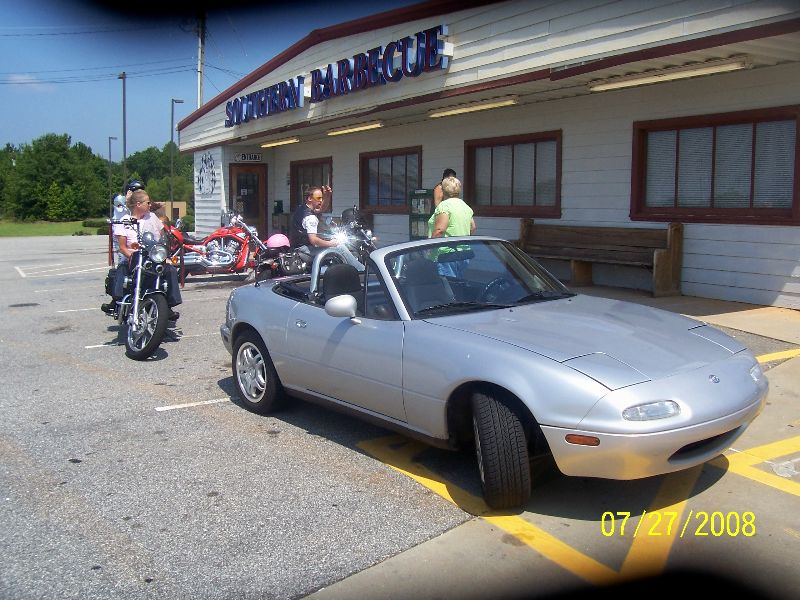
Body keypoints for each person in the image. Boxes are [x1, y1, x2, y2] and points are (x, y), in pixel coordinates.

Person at [101, 189, 182, 321]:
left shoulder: (152, 217)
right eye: (147, 202)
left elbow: (162, 238)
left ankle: (167, 306)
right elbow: (122, 247)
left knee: (171, 270)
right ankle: (117, 301)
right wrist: (132, 257)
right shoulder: (125, 221)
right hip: (132, 257)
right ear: (138, 204)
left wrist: (164, 255)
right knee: (121, 270)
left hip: (152, 257)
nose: (150, 205)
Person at [427, 175, 476, 278]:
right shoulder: (465, 206)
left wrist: (429, 248)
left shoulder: (444, 206)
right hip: (464, 254)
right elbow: (472, 228)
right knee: (458, 283)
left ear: (443, 190)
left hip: (446, 254)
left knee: (448, 285)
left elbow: (439, 230)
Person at [289, 185, 339, 252]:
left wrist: (327, 196)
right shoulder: (310, 217)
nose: (321, 200)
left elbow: (321, 209)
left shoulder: (303, 208)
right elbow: (314, 240)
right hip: (304, 249)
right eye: (318, 198)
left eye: (322, 198)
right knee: (338, 249)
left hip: (296, 248)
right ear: (310, 198)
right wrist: (331, 243)